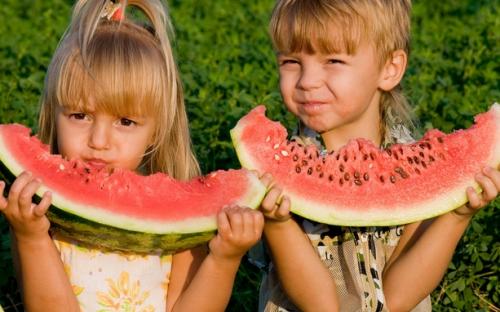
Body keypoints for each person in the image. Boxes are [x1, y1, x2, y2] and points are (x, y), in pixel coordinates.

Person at [0, 0, 264, 311]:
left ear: (157, 131)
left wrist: (224, 258)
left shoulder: (176, 222)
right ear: (54, 114)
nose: (98, 141)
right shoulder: (40, 215)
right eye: (79, 116)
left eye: (125, 122)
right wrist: (31, 238)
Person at [255, 0, 500, 311]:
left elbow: (397, 299)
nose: (307, 81)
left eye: (333, 61)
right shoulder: (280, 173)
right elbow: (322, 306)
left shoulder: (414, 167)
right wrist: (278, 224)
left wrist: (456, 215)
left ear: (389, 69)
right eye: (290, 61)